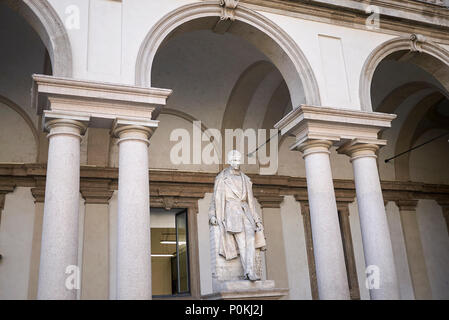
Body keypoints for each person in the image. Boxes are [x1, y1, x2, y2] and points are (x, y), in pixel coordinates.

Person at [209, 150, 265, 281]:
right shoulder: (222, 178)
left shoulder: (246, 179)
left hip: (246, 213)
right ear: (228, 161)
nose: (235, 162)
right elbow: (214, 201)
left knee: (251, 241)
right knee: (242, 244)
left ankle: (250, 271)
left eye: (238, 160)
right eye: (233, 160)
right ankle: (248, 272)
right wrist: (212, 216)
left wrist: (257, 220)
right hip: (231, 214)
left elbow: (251, 202)